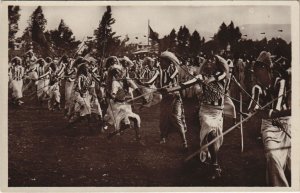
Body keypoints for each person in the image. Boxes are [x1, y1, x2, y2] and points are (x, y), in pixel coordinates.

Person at [161, 54, 229, 179]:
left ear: (217, 63)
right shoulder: (200, 76)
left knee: (215, 140)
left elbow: (216, 78)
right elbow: (184, 85)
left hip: (218, 112)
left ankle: (212, 159)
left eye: (213, 59)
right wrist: (170, 90)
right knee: (211, 132)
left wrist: (207, 80)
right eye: (208, 59)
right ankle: (215, 166)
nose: (209, 61)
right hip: (205, 110)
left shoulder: (222, 74)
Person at [247, 51, 291, 186]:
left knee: (292, 161)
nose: (255, 74)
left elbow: (276, 109)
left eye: (257, 70)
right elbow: (253, 104)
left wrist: (265, 112)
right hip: (269, 127)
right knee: (272, 156)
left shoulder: (280, 82)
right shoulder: (257, 86)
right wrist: (250, 113)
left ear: (265, 69)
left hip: (286, 123)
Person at [157, 51, 188, 151]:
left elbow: (169, 81)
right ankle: (163, 138)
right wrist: (159, 88)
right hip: (166, 98)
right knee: (163, 119)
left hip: (175, 97)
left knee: (176, 118)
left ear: (168, 62)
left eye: (162, 61)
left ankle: (184, 142)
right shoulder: (161, 71)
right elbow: (159, 84)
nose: (161, 63)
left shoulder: (174, 69)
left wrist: (163, 88)